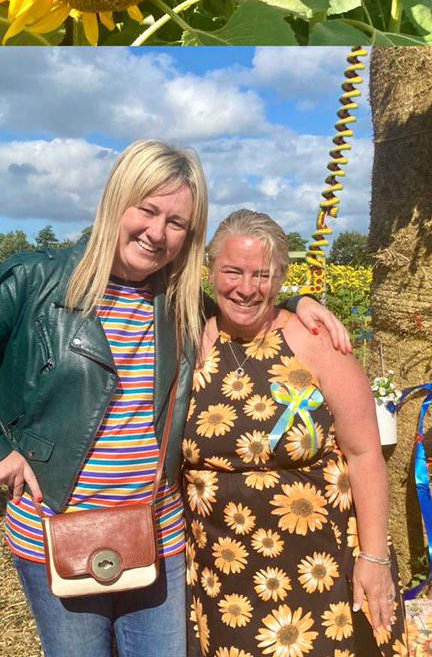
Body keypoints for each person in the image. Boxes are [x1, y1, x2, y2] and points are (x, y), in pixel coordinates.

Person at [0, 140, 349, 657]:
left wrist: (298, 301)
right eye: (146, 210)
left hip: (158, 536)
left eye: (177, 223)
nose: (157, 233)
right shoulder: (35, 282)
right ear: (116, 202)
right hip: (54, 532)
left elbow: (245, 301)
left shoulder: (182, 304)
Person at [183, 209, 406, 657]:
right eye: (232, 271)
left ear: (282, 277)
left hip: (322, 569)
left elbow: (364, 454)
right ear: (210, 272)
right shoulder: (190, 338)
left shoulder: (315, 341)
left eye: (262, 275)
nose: (246, 288)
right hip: (221, 574)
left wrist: (375, 558)